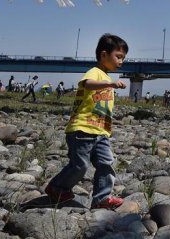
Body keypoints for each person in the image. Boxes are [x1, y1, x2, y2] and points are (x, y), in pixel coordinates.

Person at [44, 33, 128, 210]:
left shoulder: (105, 77)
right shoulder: (95, 72)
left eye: (123, 58)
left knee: (106, 164)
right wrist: (111, 85)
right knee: (80, 166)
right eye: (118, 57)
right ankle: (57, 187)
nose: (121, 61)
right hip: (82, 129)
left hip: (101, 132)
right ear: (104, 55)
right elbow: (88, 84)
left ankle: (102, 198)